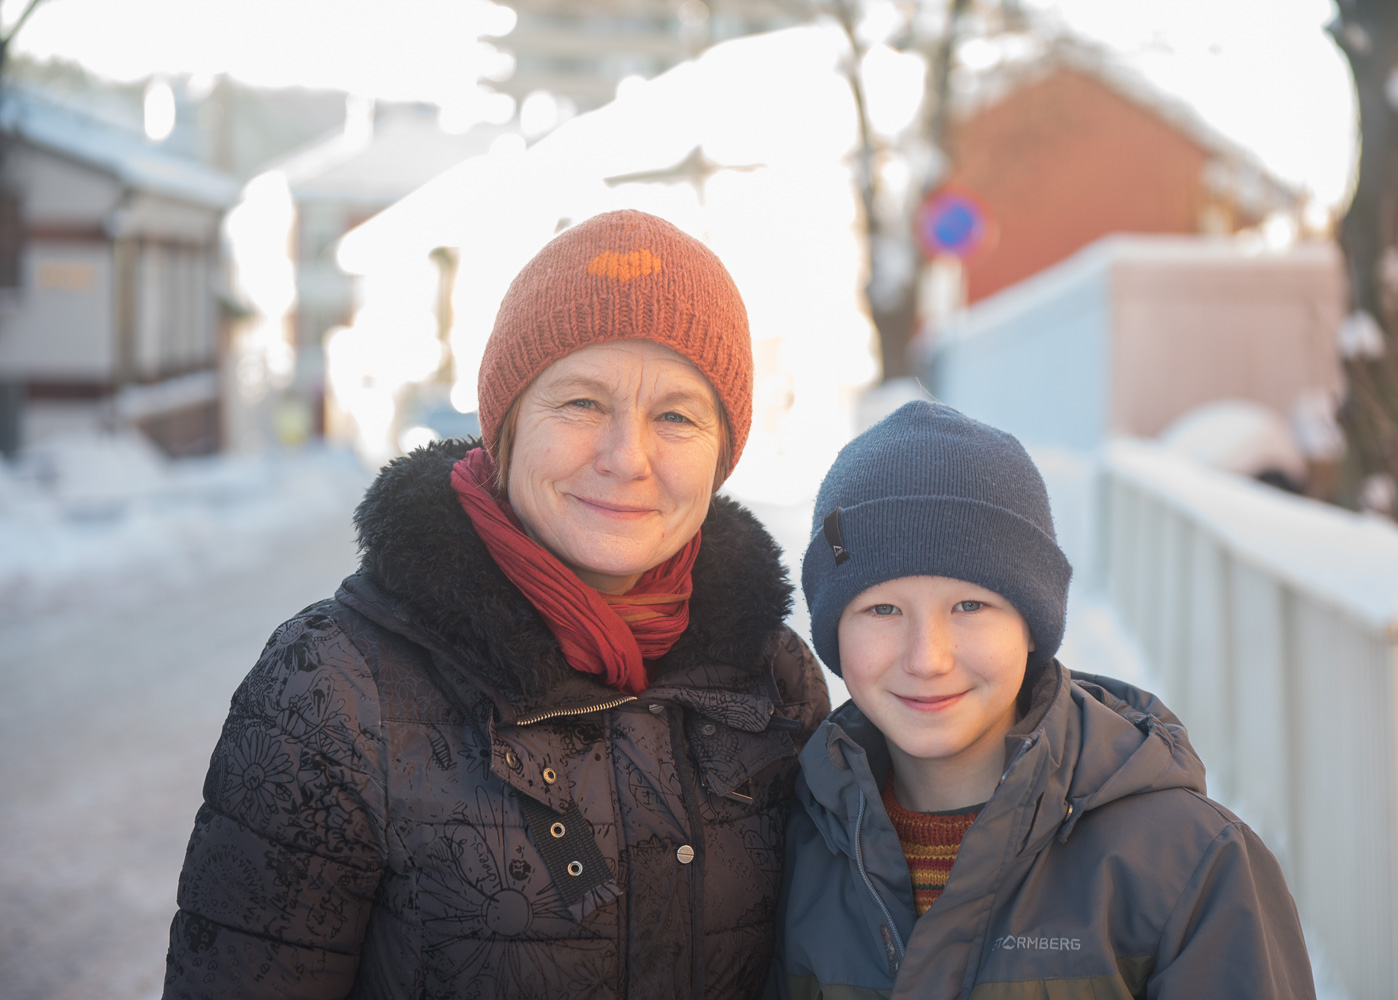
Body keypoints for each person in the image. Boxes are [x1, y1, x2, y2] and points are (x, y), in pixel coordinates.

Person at [164, 210, 830, 998]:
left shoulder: (772, 680)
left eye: (677, 416)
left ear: (724, 449)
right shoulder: (334, 688)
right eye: (581, 402)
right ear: (507, 426)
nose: (627, 457)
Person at [766, 401, 1315, 999]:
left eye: (970, 607)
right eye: (882, 610)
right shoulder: (791, 854)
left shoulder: (1189, 868)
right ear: (832, 634)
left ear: (1032, 627)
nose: (928, 657)